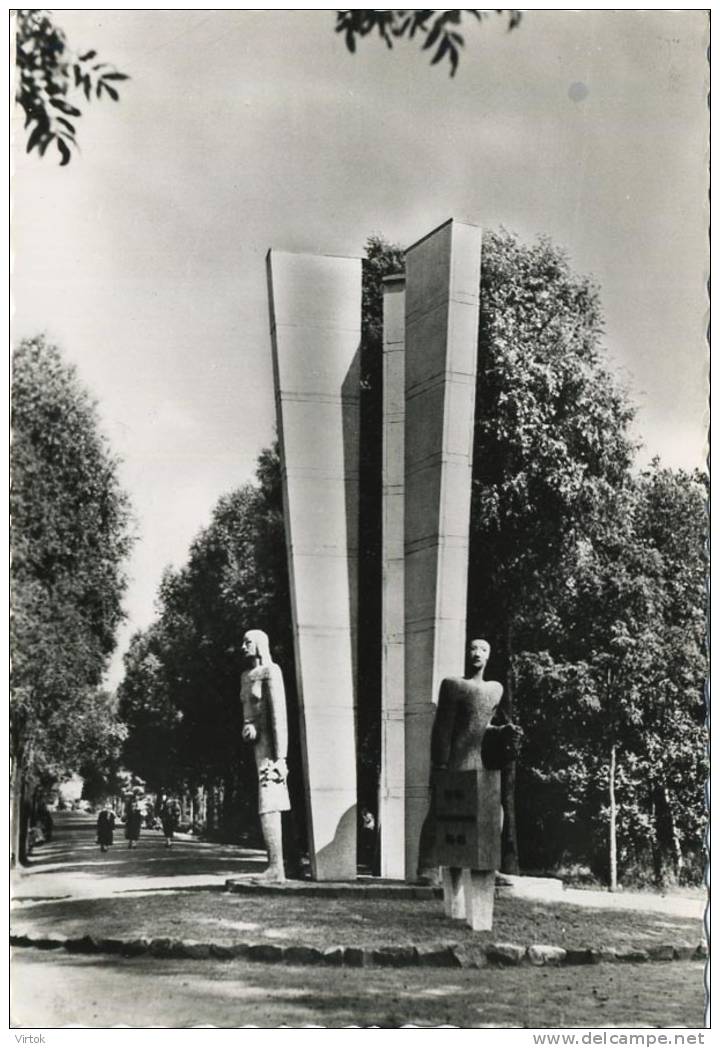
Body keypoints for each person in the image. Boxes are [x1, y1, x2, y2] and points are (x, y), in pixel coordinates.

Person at [421, 638, 523, 928]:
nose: (477, 653)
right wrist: (439, 766)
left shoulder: (495, 690)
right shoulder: (453, 686)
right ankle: (430, 868)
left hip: (480, 765)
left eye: (483, 650)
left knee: (489, 820)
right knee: (450, 820)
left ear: (489, 656)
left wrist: (503, 730)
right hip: (457, 763)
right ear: (465, 653)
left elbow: (483, 727)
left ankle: (486, 868)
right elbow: (443, 728)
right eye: (473, 648)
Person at [240, 629, 291, 881]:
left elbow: (279, 716)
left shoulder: (272, 672)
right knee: (267, 802)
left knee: (270, 800)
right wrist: (248, 726)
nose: (243, 647)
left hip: (272, 750)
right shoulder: (245, 677)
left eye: (247, 642)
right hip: (258, 747)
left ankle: (276, 867)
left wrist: (282, 757)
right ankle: (276, 865)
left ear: (260, 644)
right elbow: (248, 713)